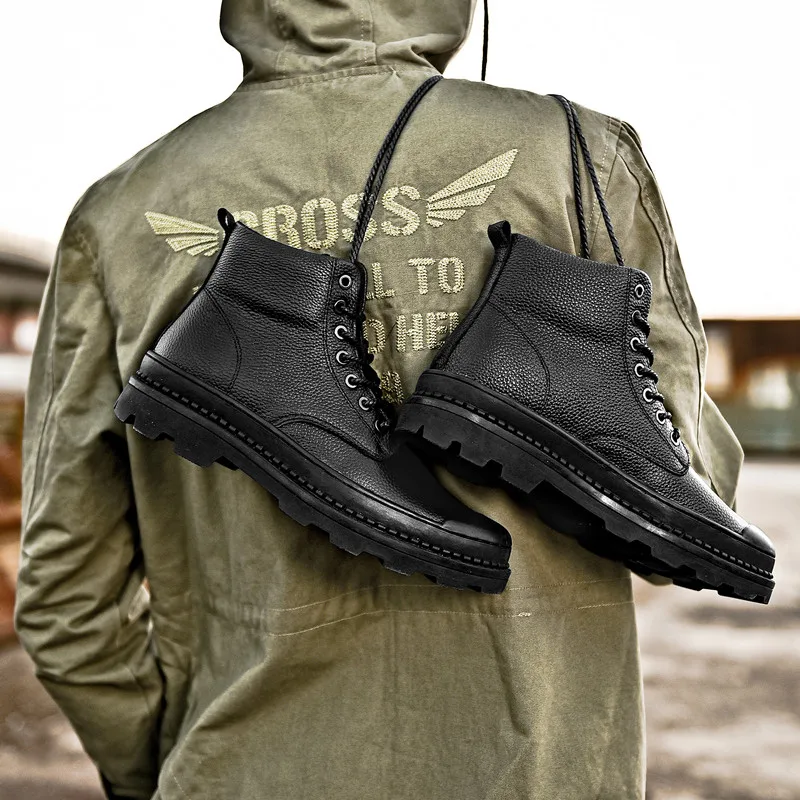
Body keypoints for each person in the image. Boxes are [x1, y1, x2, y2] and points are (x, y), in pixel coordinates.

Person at [15, 1, 744, 798]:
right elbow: (687, 502)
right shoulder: (580, 160)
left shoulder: (120, 212)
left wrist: (175, 775)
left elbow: (66, 603)